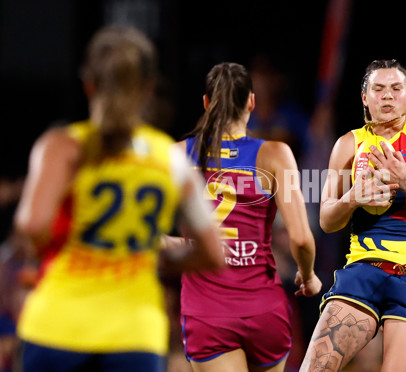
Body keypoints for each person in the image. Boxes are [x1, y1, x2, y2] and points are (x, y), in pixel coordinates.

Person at [12, 26, 223, 372]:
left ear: (88, 83)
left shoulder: (64, 146)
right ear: (149, 88)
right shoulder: (169, 159)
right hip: (135, 334)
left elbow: (33, 224)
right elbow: (214, 253)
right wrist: (151, 257)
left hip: (57, 327)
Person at [300, 59, 406, 372]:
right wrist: (351, 199)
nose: (387, 96)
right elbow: (326, 220)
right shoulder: (348, 144)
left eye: (395, 89)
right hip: (363, 269)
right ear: (365, 97)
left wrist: (405, 179)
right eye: (378, 89)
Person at [177, 61, 322, 372]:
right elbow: (300, 238)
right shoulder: (275, 153)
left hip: (207, 313)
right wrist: (308, 276)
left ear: (206, 103)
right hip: (263, 310)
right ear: (251, 102)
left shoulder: (175, 155)